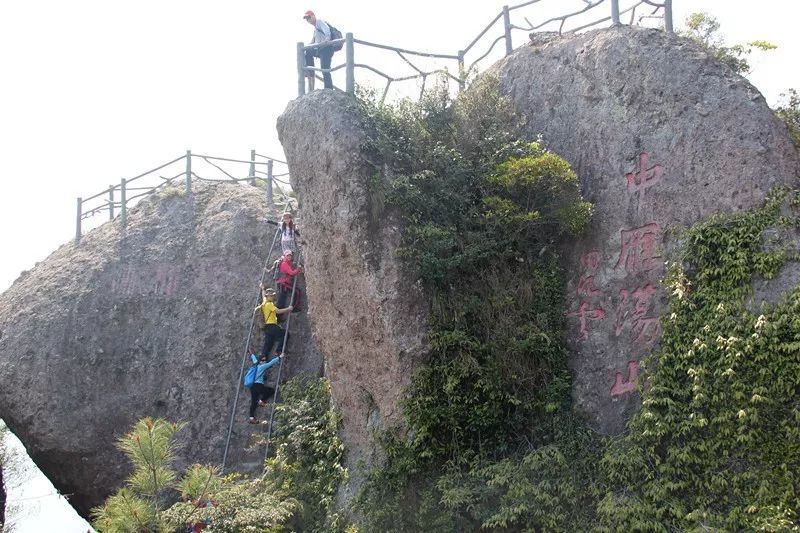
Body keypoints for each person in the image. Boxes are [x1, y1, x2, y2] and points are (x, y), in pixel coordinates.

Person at [255, 285, 293, 357]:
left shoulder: (264, 302)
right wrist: (288, 309)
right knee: (285, 334)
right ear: (268, 296)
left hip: (266, 327)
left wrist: (263, 288)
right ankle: (279, 350)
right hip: (272, 325)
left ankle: (263, 357)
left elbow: (263, 295)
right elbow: (278, 311)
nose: (273, 297)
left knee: (269, 342)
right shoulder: (269, 304)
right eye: (271, 296)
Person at [303, 10, 336, 90]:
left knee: (324, 68)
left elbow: (327, 29)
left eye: (309, 17)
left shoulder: (319, 22)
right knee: (308, 52)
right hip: (320, 50)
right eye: (307, 19)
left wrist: (327, 39)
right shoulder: (315, 29)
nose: (308, 20)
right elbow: (313, 42)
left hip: (327, 49)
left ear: (313, 16)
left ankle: (328, 88)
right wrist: (304, 49)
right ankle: (310, 72)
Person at [248, 353, 282, 424]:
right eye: (263, 360)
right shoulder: (262, 366)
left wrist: (251, 354)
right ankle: (262, 401)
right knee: (271, 391)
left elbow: (254, 359)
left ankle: (251, 418)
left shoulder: (256, 364)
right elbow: (270, 363)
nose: (264, 361)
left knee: (254, 401)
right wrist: (279, 357)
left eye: (265, 360)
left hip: (252, 386)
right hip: (258, 385)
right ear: (260, 361)